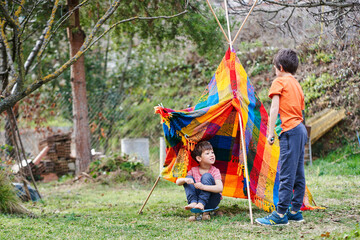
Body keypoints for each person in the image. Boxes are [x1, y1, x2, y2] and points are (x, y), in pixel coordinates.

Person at [255, 49, 308, 226]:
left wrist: (270, 133)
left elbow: (274, 109)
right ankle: (295, 211)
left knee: (286, 173)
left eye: (275, 67)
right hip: (300, 129)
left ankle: (280, 215)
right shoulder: (297, 85)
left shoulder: (279, 82)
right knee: (298, 172)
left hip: (290, 131)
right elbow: (300, 111)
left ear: (281, 67)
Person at [176, 141, 223, 221]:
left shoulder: (215, 171)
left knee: (206, 176)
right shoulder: (193, 170)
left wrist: (203, 187)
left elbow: (220, 188)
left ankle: (203, 207)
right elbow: (178, 182)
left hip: (211, 200)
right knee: (188, 177)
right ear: (199, 158)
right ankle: (194, 203)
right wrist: (185, 179)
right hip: (196, 201)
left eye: (212, 152)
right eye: (207, 153)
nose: (212, 155)